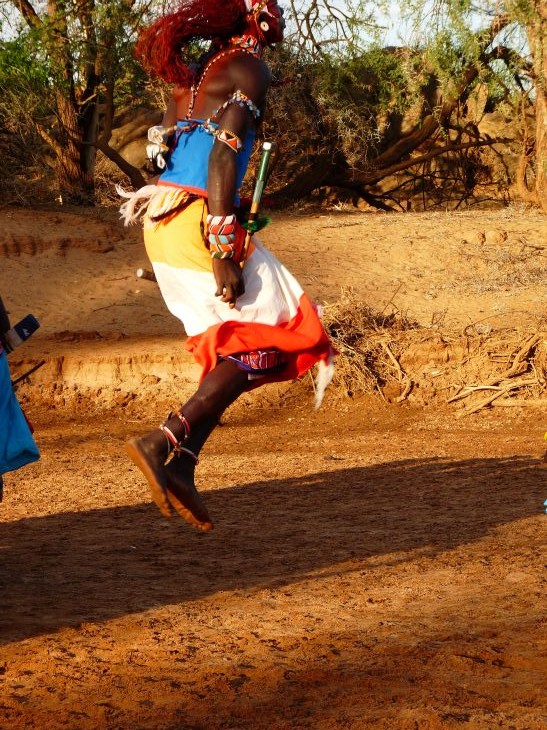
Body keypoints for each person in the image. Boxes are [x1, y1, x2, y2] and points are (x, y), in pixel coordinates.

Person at [119, 0, 334, 531]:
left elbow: (162, 154)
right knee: (286, 333)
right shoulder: (248, 68)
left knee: (237, 349)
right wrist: (221, 248)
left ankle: (184, 464)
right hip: (198, 223)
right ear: (253, 16)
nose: (281, 15)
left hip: (162, 221)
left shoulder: (191, 78)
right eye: (274, 7)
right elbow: (220, 156)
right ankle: (163, 442)